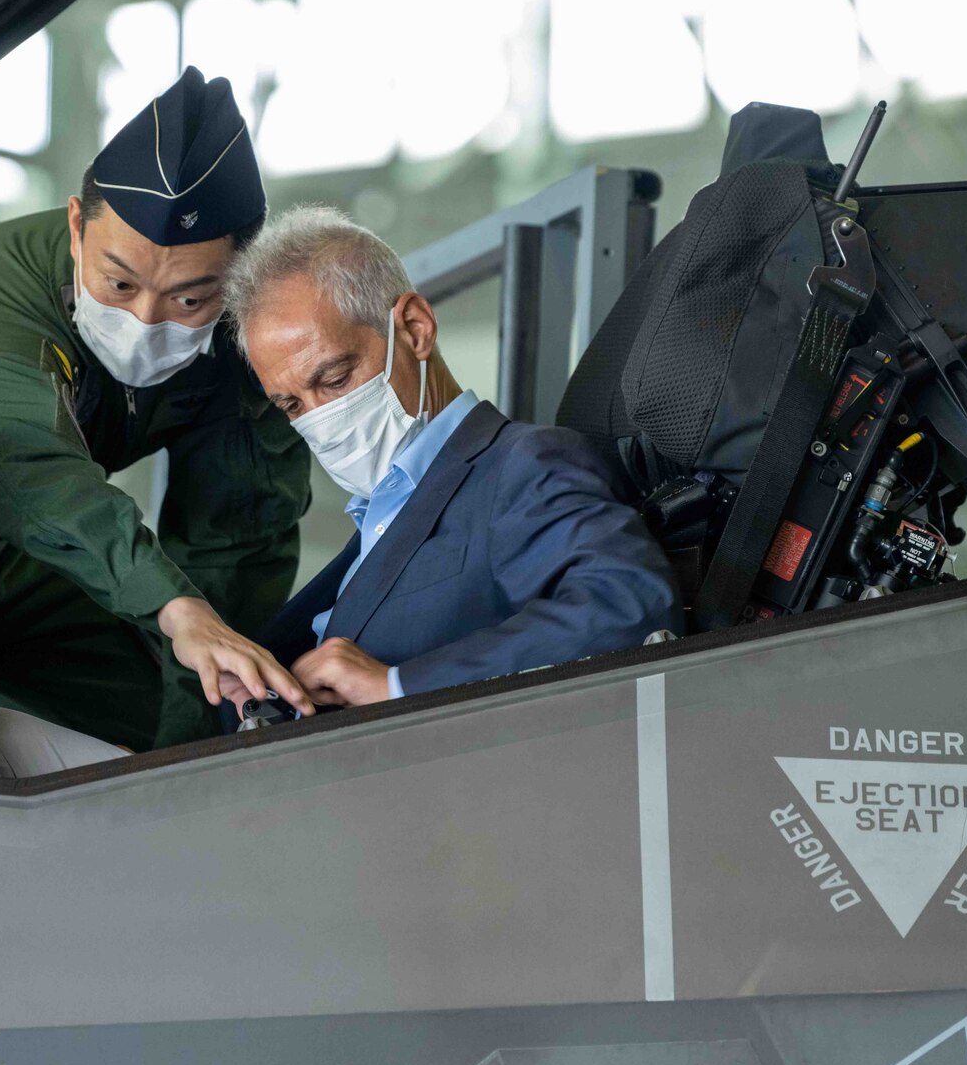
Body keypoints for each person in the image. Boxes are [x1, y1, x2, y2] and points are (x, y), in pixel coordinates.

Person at [0, 69, 313, 751]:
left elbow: (238, 538)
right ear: (78, 224)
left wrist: (208, 731)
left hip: (18, 568)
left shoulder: (233, 336)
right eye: (119, 282)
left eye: (190, 299)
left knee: (187, 698)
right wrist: (176, 606)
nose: (146, 316)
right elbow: (49, 491)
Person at [224, 204, 681, 709]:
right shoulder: (375, 527)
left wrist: (397, 686)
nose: (318, 419)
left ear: (415, 329)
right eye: (291, 405)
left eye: (334, 380)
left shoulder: (522, 465)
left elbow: (626, 606)